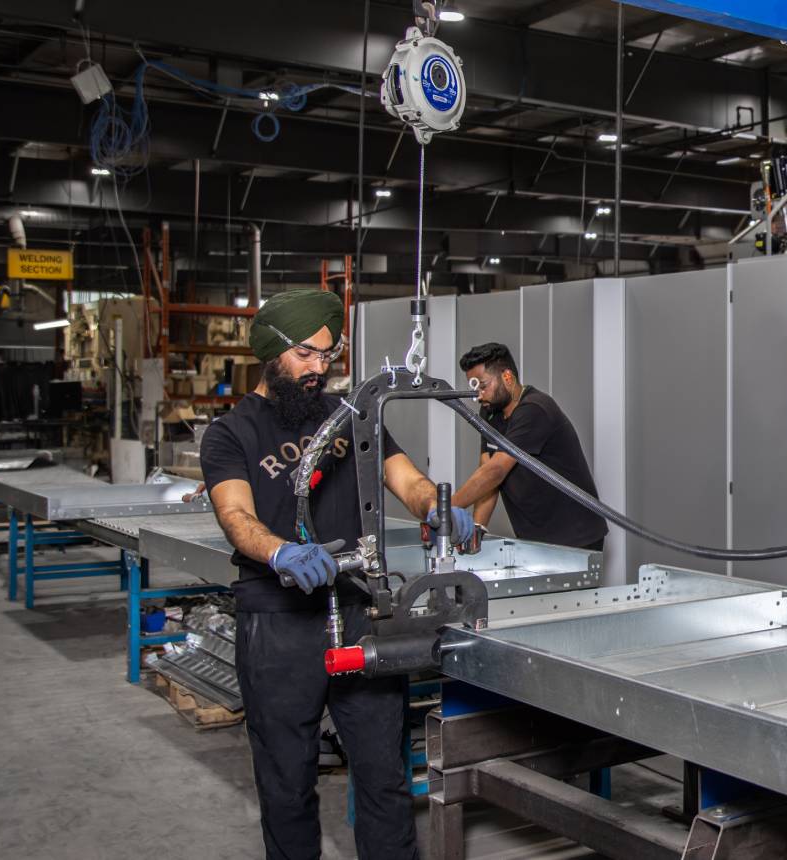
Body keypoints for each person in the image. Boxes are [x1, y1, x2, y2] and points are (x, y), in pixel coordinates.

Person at [200, 289, 473, 860]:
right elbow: (235, 515)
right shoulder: (231, 434)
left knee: (383, 775)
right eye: (305, 355)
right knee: (286, 782)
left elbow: (409, 480)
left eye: (327, 357)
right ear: (271, 353)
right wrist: (279, 554)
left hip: (359, 611)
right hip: (277, 625)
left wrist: (434, 507)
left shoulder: (351, 417)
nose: (317, 370)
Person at [452, 342, 607, 551]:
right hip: (535, 536)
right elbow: (487, 473)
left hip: (574, 535)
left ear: (507, 377)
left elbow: (495, 471)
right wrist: (477, 527)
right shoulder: (490, 413)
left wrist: (445, 509)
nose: (479, 395)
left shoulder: (535, 410)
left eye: (483, 386)